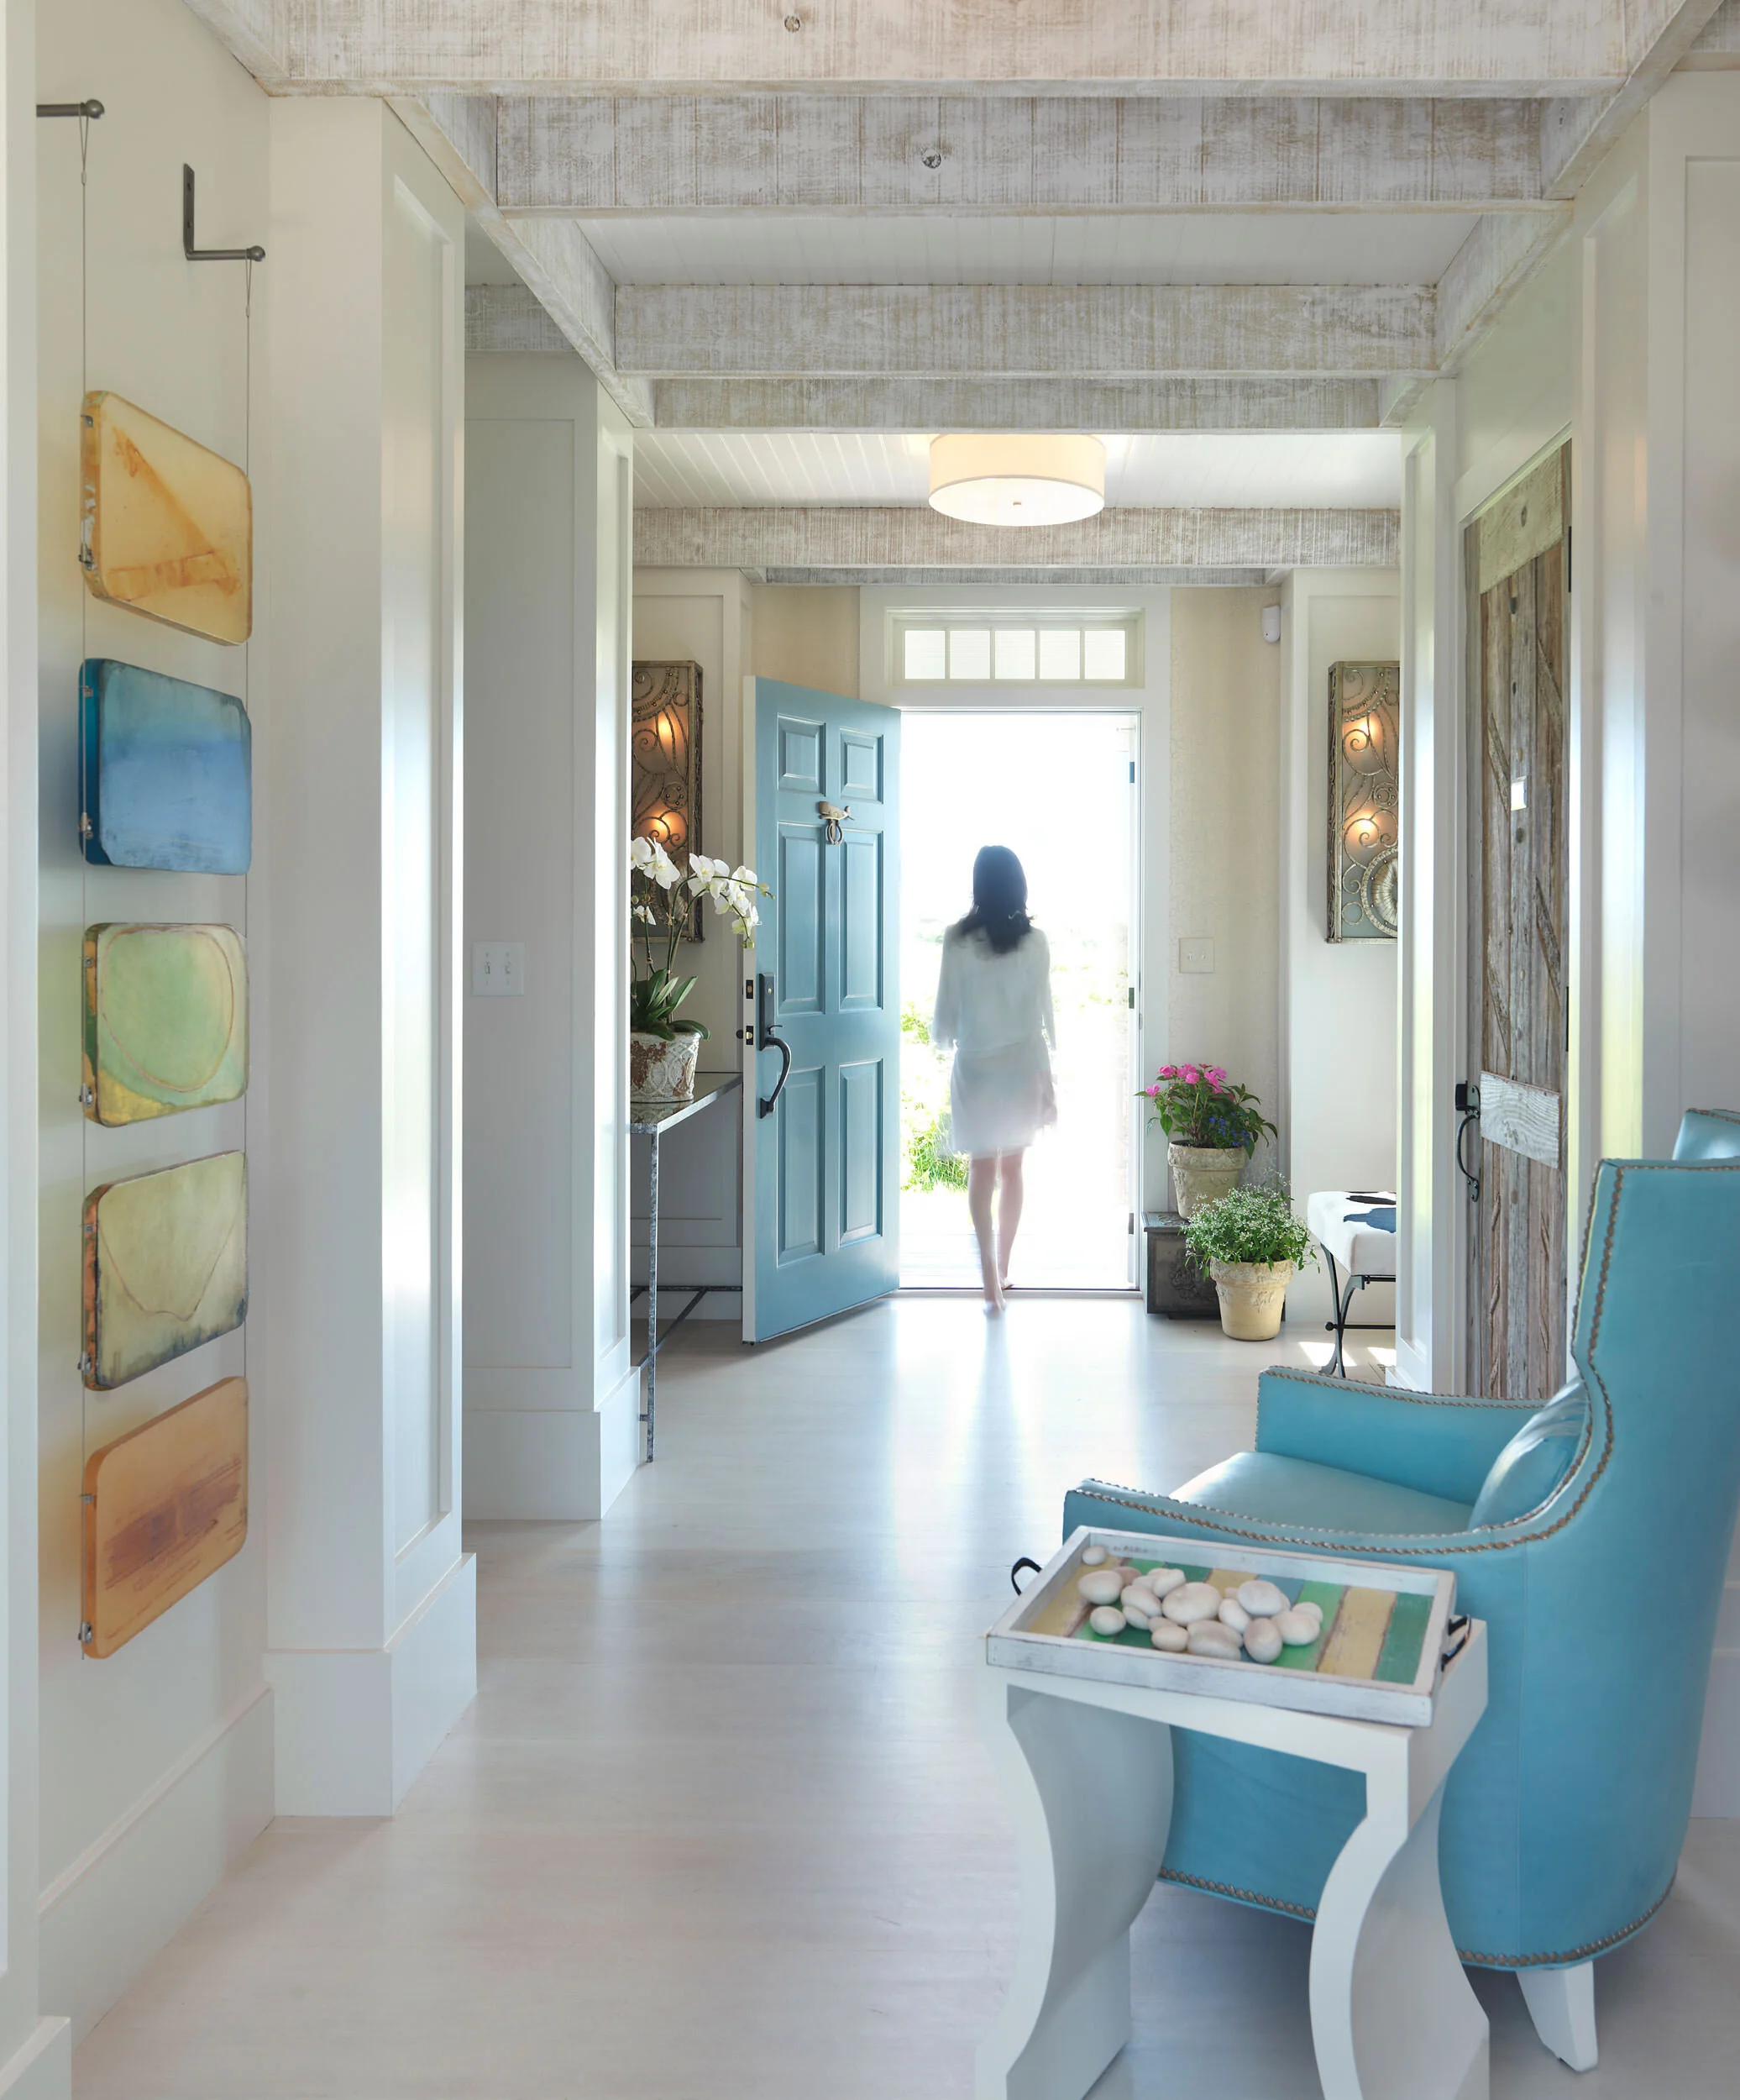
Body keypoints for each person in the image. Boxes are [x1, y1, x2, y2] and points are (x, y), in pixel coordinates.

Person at [930, 845, 1056, 1313]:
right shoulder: (1036, 941)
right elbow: (1041, 1014)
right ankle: (1003, 1267)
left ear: (978, 886)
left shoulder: (955, 938)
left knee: (982, 1169)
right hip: (1023, 1064)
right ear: (1019, 886)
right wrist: (1047, 1081)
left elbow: (946, 1011)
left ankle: (990, 1281)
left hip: (978, 1068)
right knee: (1014, 1169)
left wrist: (951, 1039)